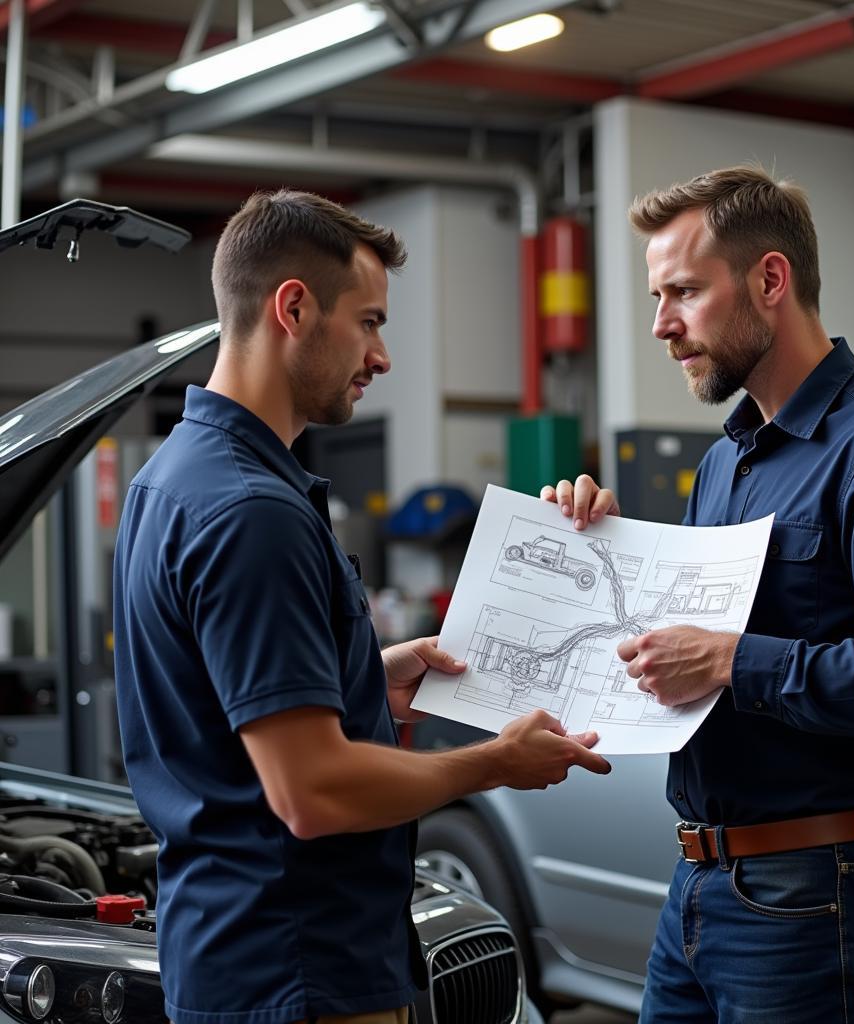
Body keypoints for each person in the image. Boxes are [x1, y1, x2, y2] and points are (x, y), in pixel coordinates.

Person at [113, 189, 610, 1024]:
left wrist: (360, 680)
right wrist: (493, 763)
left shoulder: (173, 480)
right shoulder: (250, 513)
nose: (382, 356)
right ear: (294, 308)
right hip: (299, 973)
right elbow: (311, 793)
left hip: (239, 960)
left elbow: (218, 704)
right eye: (370, 322)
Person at [542, 165, 854, 1023]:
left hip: (823, 894)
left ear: (770, 280)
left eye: (684, 293)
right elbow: (692, 657)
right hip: (701, 886)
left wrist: (736, 661)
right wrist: (605, 556)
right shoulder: (725, 463)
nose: (662, 326)